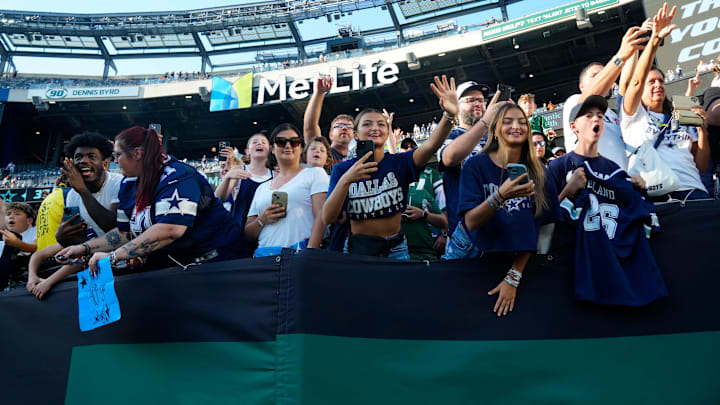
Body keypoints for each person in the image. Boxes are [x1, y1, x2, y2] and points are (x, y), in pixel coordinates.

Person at [57, 126, 247, 273]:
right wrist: (83, 248)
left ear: (137, 154)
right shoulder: (128, 184)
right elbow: (123, 234)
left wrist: (113, 256)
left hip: (220, 264)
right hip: (182, 267)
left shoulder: (178, 176)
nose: (115, 162)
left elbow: (171, 229)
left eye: (117, 155)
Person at [322, 75, 458, 259]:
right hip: (358, 249)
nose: (375, 128)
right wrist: (346, 180)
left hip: (396, 249)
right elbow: (328, 217)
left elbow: (431, 145)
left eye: (381, 124)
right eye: (367, 124)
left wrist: (449, 115)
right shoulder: (342, 170)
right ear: (355, 134)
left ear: (387, 132)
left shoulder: (399, 162)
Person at [548, 95, 666, 306]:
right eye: (589, 116)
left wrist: (637, 187)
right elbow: (546, 218)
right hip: (576, 263)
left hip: (616, 260)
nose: (596, 120)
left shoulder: (615, 170)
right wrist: (568, 190)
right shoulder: (559, 166)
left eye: (600, 116)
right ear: (574, 126)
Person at [442, 104, 558, 317]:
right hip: (470, 251)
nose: (516, 126)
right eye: (507, 121)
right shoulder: (475, 165)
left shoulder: (541, 173)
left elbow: (540, 231)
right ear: (494, 131)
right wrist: (500, 196)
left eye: (522, 122)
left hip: (513, 258)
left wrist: (513, 276)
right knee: (457, 315)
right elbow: (471, 223)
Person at [621, 4, 711, 201]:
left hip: (696, 194)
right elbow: (635, 82)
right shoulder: (633, 117)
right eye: (651, 82)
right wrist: (654, 39)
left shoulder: (682, 111)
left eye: (661, 81)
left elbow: (702, 166)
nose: (657, 85)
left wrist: (703, 130)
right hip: (660, 198)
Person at [27, 133, 123, 299]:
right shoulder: (72, 196)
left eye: (91, 156)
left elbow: (113, 227)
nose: (84, 161)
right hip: (96, 253)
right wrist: (63, 238)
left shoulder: (118, 183)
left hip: (123, 253)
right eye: (78, 157)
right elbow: (79, 242)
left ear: (105, 163)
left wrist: (83, 191)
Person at [562, 25, 649, 171]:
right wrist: (620, 57)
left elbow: (627, 84)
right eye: (595, 76)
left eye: (606, 75)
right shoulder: (574, 101)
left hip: (621, 183)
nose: (604, 78)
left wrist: (634, 48)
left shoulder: (612, 114)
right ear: (582, 85)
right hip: (591, 181)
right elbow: (591, 97)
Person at [246, 124, 329, 257]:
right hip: (264, 257)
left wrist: (310, 252)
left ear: (301, 147)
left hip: (298, 255)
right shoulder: (261, 188)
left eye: (294, 142)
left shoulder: (315, 174)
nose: (288, 146)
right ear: (272, 149)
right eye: (281, 142)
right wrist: (262, 219)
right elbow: (248, 234)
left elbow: (322, 217)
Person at [436, 80, 505, 237]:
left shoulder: (496, 137)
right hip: (465, 233)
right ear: (457, 105)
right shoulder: (450, 135)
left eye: (480, 100)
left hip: (499, 226)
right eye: (470, 100)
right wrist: (485, 122)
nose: (477, 103)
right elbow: (450, 158)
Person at [399, 138, 448, 260]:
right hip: (400, 245)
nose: (409, 149)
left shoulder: (432, 174)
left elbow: (443, 207)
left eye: (412, 146)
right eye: (405, 147)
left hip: (428, 241)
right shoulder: (396, 173)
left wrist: (444, 234)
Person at [303, 76, 354, 165]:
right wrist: (319, 93)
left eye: (349, 127)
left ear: (355, 135)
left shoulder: (356, 159)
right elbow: (310, 127)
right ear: (330, 135)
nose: (344, 128)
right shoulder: (322, 153)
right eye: (339, 126)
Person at [1, 202, 36, 289]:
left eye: (17, 214)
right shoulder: (2, 242)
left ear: (29, 220)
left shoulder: (35, 232)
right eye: (8, 214)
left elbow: (36, 248)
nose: (11, 217)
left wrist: (17, 243)